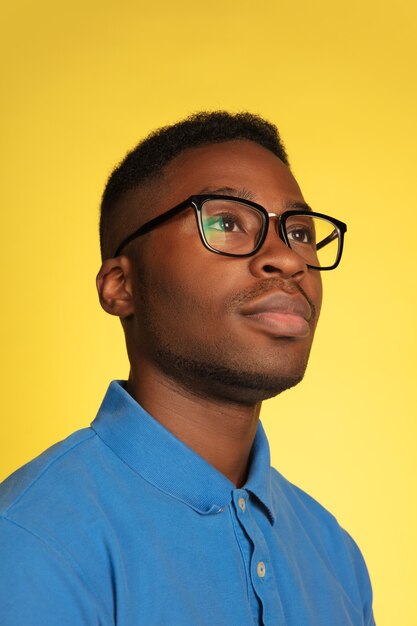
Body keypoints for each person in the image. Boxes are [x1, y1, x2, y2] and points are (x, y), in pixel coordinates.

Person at [0, 111, 375, 625]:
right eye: (225, 222)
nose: (288, 259)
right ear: (121, 286)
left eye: (301, 232)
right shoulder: (32, 540)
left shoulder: (334, 553)